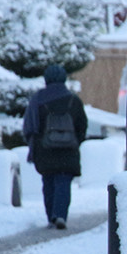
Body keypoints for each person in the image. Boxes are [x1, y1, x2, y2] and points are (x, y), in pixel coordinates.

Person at [23, 64, 88, 229]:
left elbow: (29, 127)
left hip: (45, 150)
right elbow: (82, 125)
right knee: (63, 181)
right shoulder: (74, 100)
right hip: (68, 149)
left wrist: (35, 145)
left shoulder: (37, 99)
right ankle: (60, 215)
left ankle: (51, 215)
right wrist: (74, 141)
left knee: (49, 181)